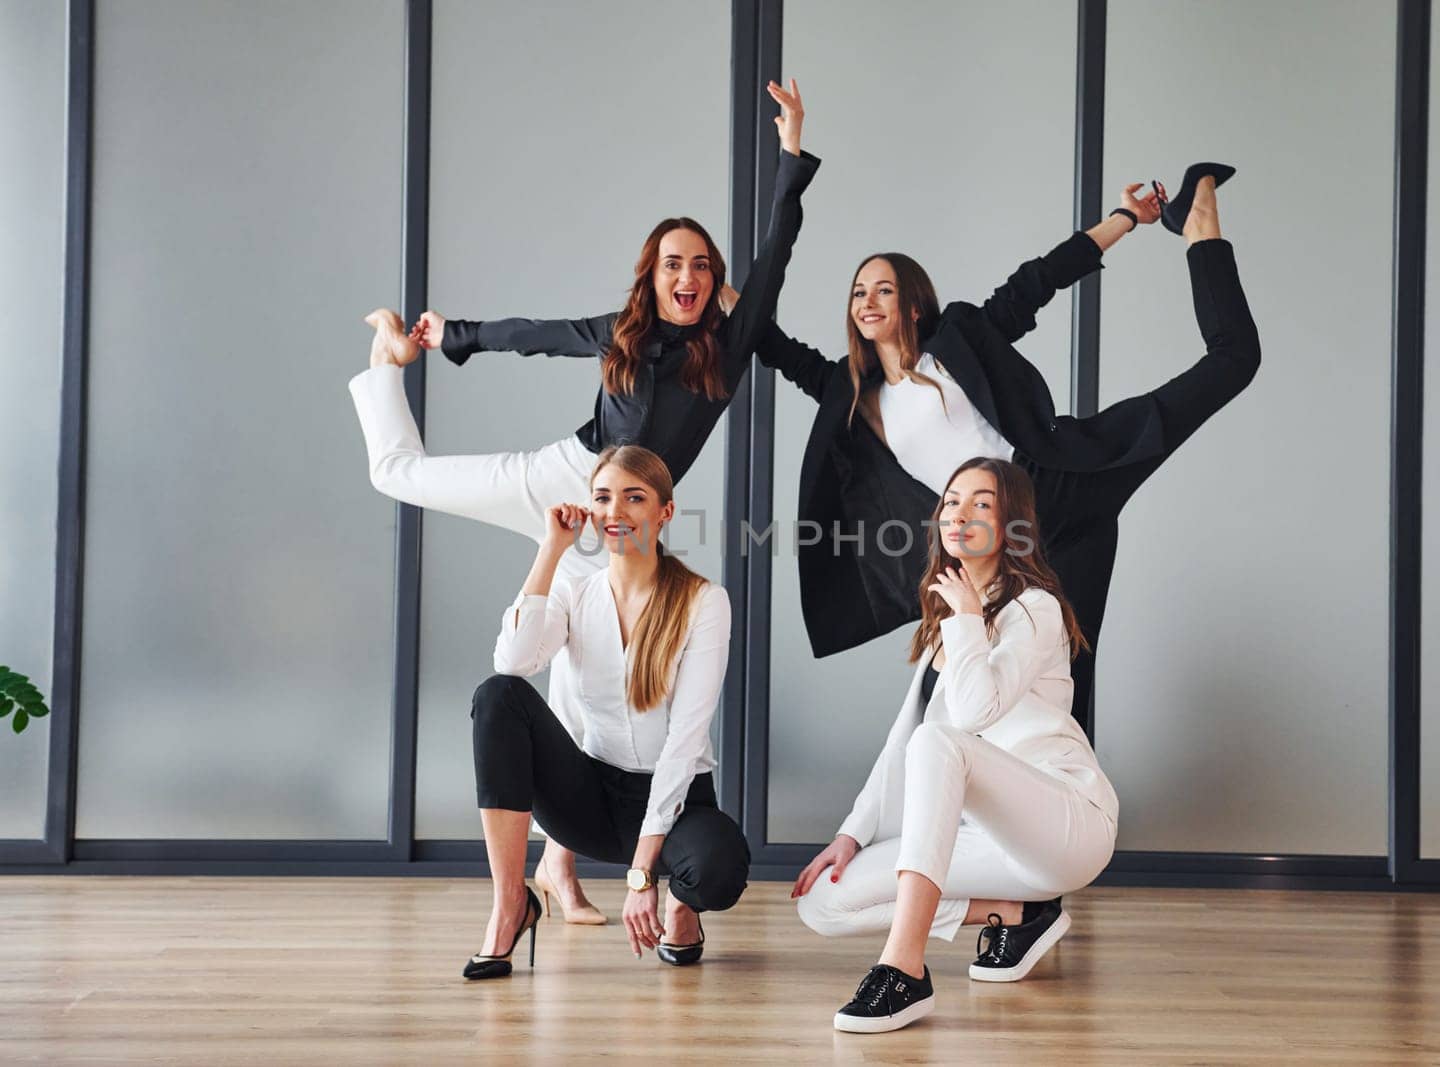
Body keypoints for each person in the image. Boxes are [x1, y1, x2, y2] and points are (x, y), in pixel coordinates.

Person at [353, 79, 812, 918]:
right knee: (399, 475)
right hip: (564, 479)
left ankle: (557, 868)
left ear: (714, 284)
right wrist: (446, 336)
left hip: (624, 513)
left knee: (591, 668)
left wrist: (791, 156)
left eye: (702, 265)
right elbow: (536, 335)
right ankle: (383, 362)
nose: (689, 275)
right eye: (674, 262)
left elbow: (775, 260)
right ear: (654, 274)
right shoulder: (622, 332)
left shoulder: (728, 346)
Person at [754, 163, 1258, 733]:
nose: (867, 302)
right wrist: (734, 304)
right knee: (1065, 679)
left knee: (1234, 362)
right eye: (858, 293)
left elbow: (1036, 281)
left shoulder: (956, 340)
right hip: (1015, 535)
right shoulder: (859, 399)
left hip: (1062, 476)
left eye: (883, 290)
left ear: (914, 305)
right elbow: (776, 348)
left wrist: (1124, 220)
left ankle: (1198, 219)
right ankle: (1060, 813)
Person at [792, 457, 1117, 1032]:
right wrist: (849, 835)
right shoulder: (947, 622)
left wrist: (968, 618)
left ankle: (904, 969)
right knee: (823, 901)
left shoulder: (1033, 609)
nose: (959, 513)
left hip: (1068, 826)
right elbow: (902, 747)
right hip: (988, 845)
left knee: (940, 742)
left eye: (982, 503)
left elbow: (971, 715)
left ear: (1013, 524)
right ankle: (1019, 915)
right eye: (950, 501)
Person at [463, 445, 745, 979]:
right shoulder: (575, 592)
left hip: (678, 803)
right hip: (589, 801)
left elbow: (685, 740)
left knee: (719, 871)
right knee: (497, 695)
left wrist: (643, 876)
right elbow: (513, 661)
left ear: (665, 511)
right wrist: (551, 549)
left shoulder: (705, 601)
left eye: (633, 498)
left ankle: (682, 907)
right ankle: (510, 905)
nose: (615, 512)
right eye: (603, 498)